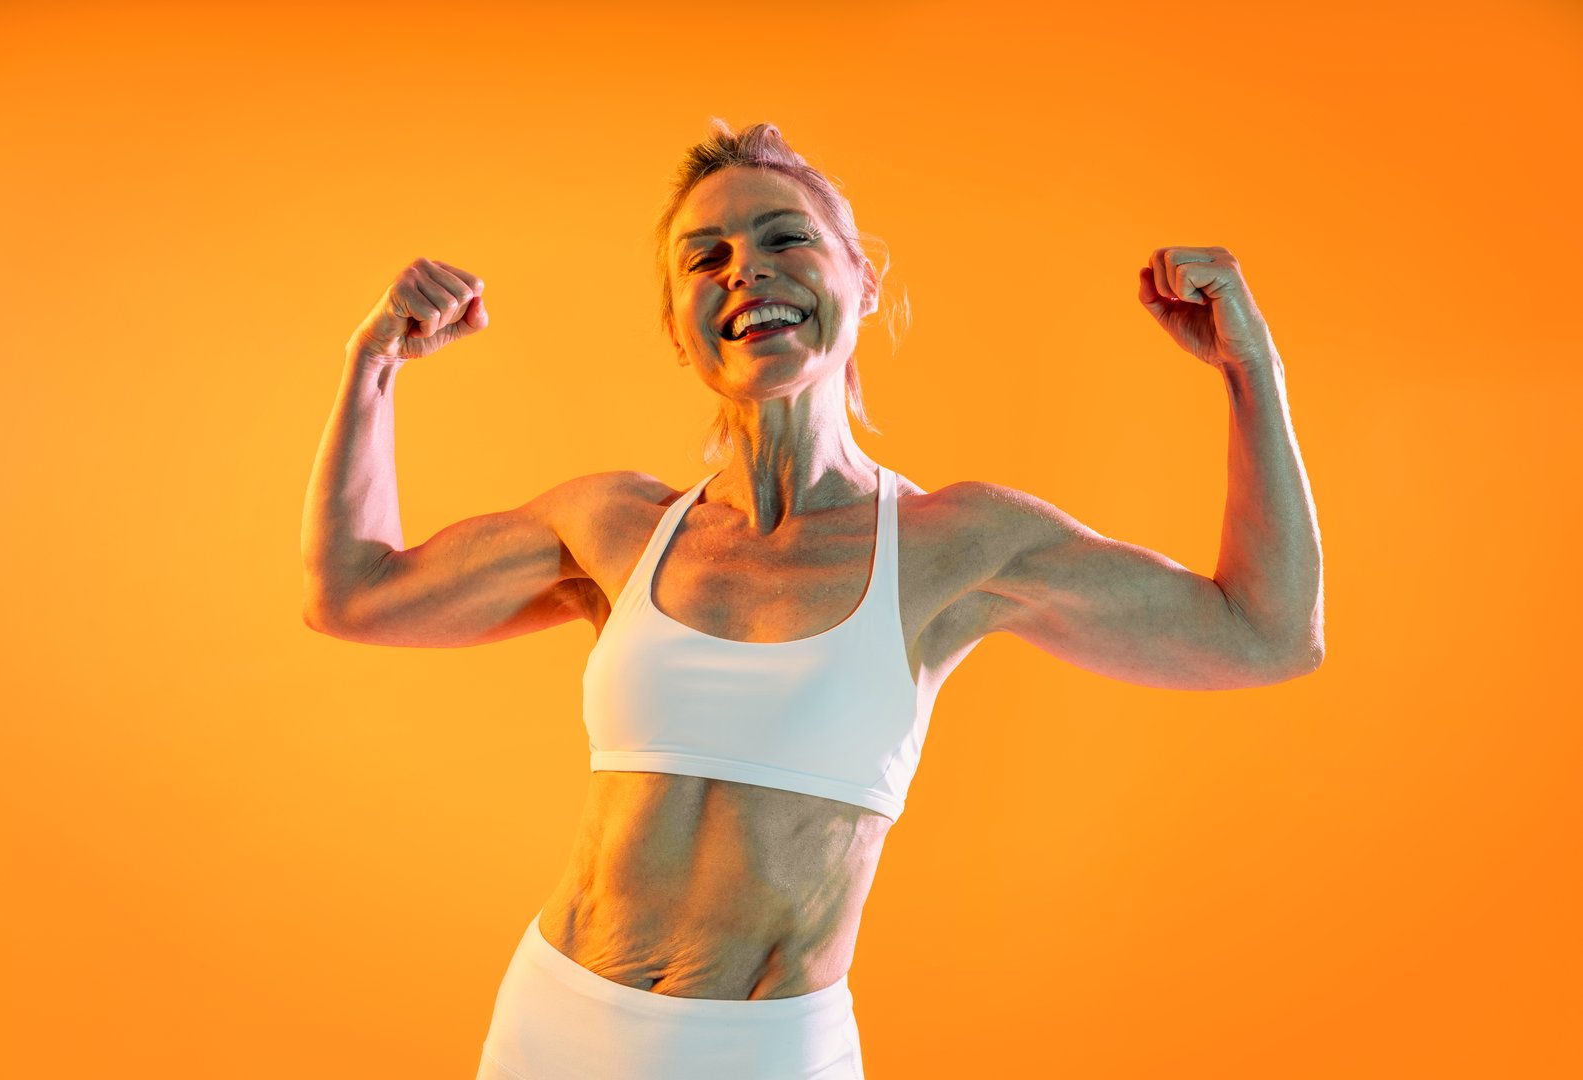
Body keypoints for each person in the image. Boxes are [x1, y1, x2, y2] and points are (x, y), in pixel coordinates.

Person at [300, 119, 1325, 1080]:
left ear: (861, 281)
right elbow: (354, 595)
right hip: (552, 1027)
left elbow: (1261, 636)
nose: (744, 268)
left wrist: (1251, 370)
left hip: (763, 1051)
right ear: (678, 325)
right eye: (704, 257)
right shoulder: (611, 525)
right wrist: (372, 365)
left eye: (783, 237)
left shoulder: (955, 545)